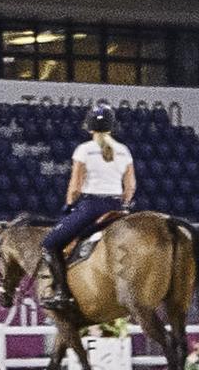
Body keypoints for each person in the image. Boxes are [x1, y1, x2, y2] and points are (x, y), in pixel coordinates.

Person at [45, 104, 138, 286]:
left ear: (89, 127)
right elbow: (131, 186)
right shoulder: (124, 151)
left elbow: (75, 186)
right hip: (117, 207)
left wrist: (70, 205)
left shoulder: (84, 150)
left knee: (50, 243)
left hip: (91, 208)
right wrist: (124, 204)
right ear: (112, 126)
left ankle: (60, 291)